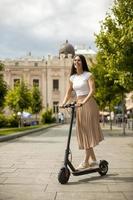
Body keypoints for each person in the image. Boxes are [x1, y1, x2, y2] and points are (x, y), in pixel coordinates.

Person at [61, 54, 104, 170]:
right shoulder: (72, 78)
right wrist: (63, 103)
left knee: (88, 132)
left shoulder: (88, 75)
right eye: (74, 60)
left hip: (89, 104)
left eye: (78, 60)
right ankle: (94, 160)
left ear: (82, 62)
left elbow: (92, 90)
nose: (76, 62)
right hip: (79, 105)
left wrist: (84, 101)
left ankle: (85, 161)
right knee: (83, 132)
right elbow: (68, 93)